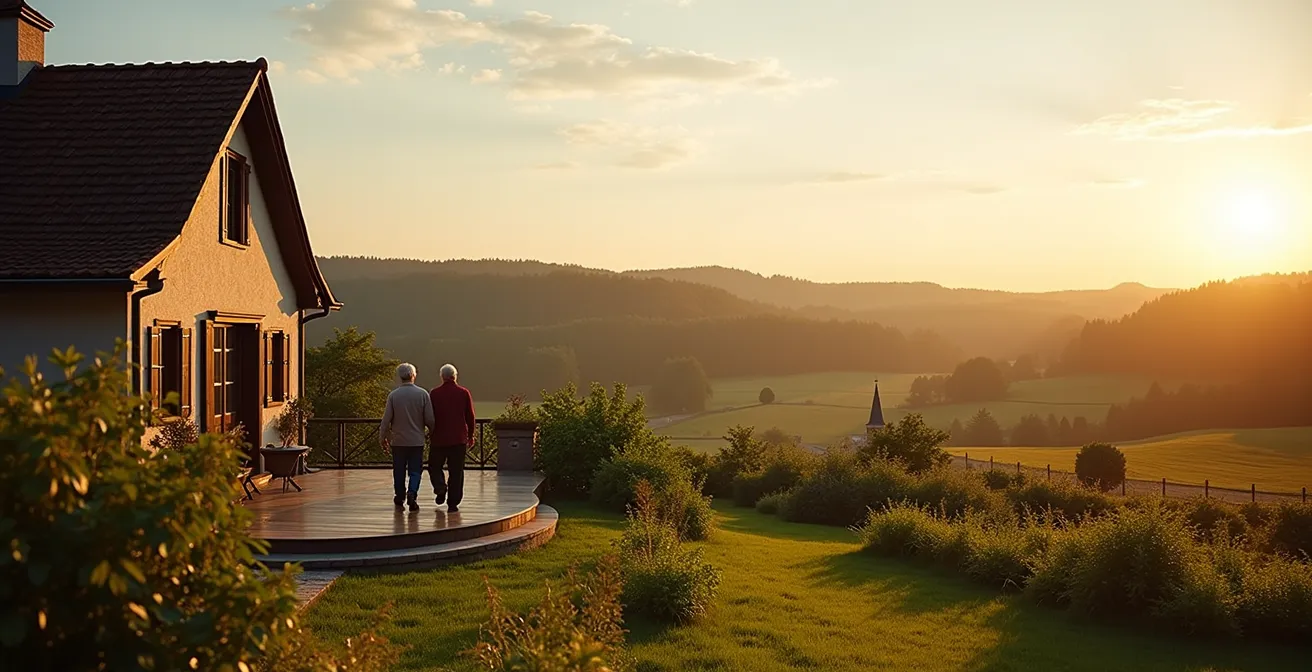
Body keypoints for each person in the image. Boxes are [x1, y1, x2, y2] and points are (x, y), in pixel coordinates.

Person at [380, 363, 435, 511]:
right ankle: (412, 492)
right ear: (414, 375)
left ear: (400, 376)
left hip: (398, 440)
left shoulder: (393, 395)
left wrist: (383, 437)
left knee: (399, 470)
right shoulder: (423, 394)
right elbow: (430, 419)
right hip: (416, 440)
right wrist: (430, 432)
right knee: (415, 470)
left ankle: (400, 496)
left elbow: (386, 420)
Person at [429, 363, 476, 512]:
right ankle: (453, 503)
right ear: (455, 376)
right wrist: (471, 435)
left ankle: (440, 487)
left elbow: (429, 416)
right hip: (458, 439)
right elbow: (470, 416)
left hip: (438, 438)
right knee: (456, 471)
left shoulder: (434, 393)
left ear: (442, 377)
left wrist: (429, 431)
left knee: (434, 467)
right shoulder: (464, 393)